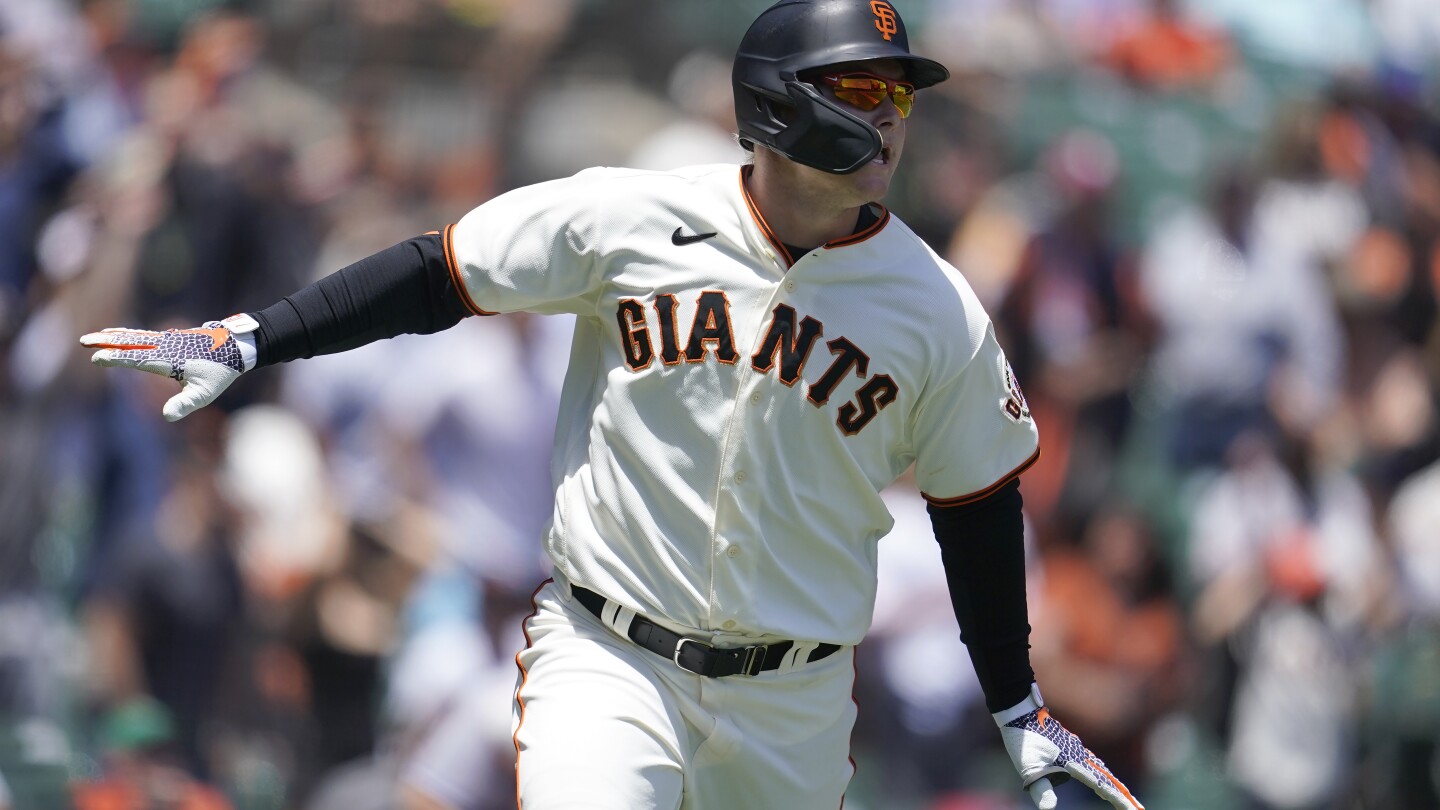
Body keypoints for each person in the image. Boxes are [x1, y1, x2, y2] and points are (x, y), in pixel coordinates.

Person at [80, 1, 1144, 808]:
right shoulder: (634, 214)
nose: (893, 117)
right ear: (780, 102)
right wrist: (258, 336)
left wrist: (1016, 701)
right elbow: (439, 272)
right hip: (611, 651)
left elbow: (976, 503)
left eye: (901, 94)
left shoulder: (939, 308)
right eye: (865, 90)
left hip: (796, 699)